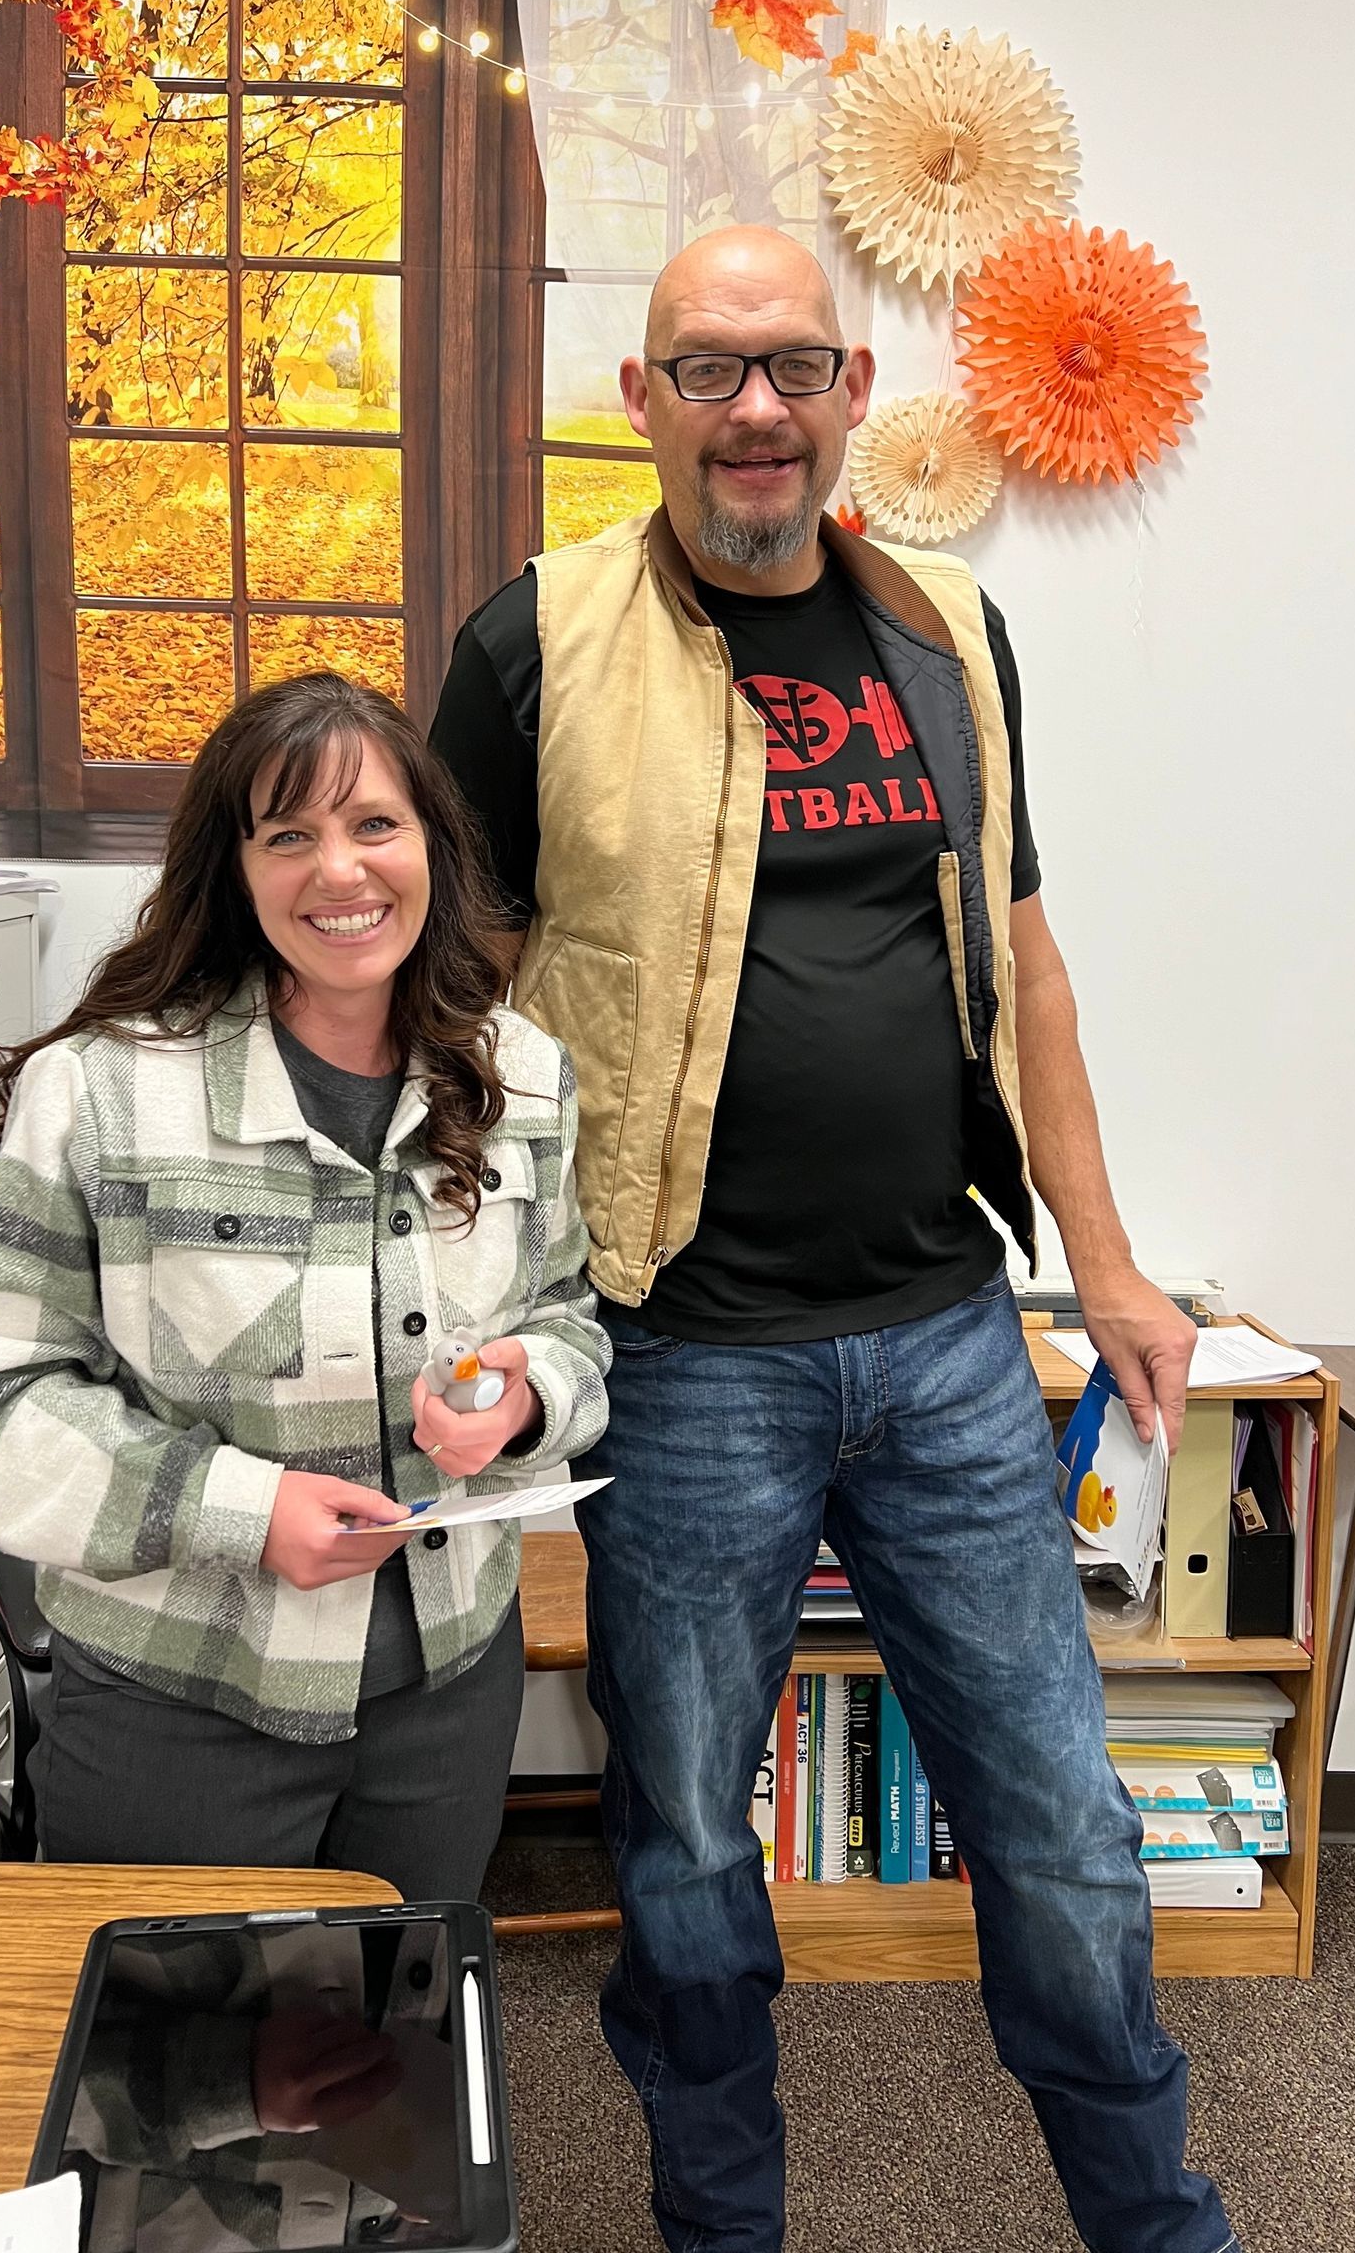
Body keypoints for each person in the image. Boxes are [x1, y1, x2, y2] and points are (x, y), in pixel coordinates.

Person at [429, 226, 1239, 2253]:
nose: (757, 407)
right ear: (644, 402)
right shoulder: (535, 639)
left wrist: (1112, 1262)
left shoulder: (949, 630)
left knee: (1061, 1821)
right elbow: (473, 988)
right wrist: (471, 1298)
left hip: (953, 1339)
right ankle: (724, 2228)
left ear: (856, 384)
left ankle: (1155, 2220)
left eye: (791, 364)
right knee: (691, 1843)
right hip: (684, 1350)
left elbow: (1023, 958)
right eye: (709, 369)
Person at [0, 672, 608, 1898]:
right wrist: (239, 1511)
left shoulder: (525, 1076)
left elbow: (568, 1315)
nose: (340, 871)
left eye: (374, 825)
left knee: (400, 2037)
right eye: (288, 834)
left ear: (435, 849)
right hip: (180, 1704)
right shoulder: (104, 1093)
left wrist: (525, 1393)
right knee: (173, 2061)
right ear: (233, 872)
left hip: (448, 1691)